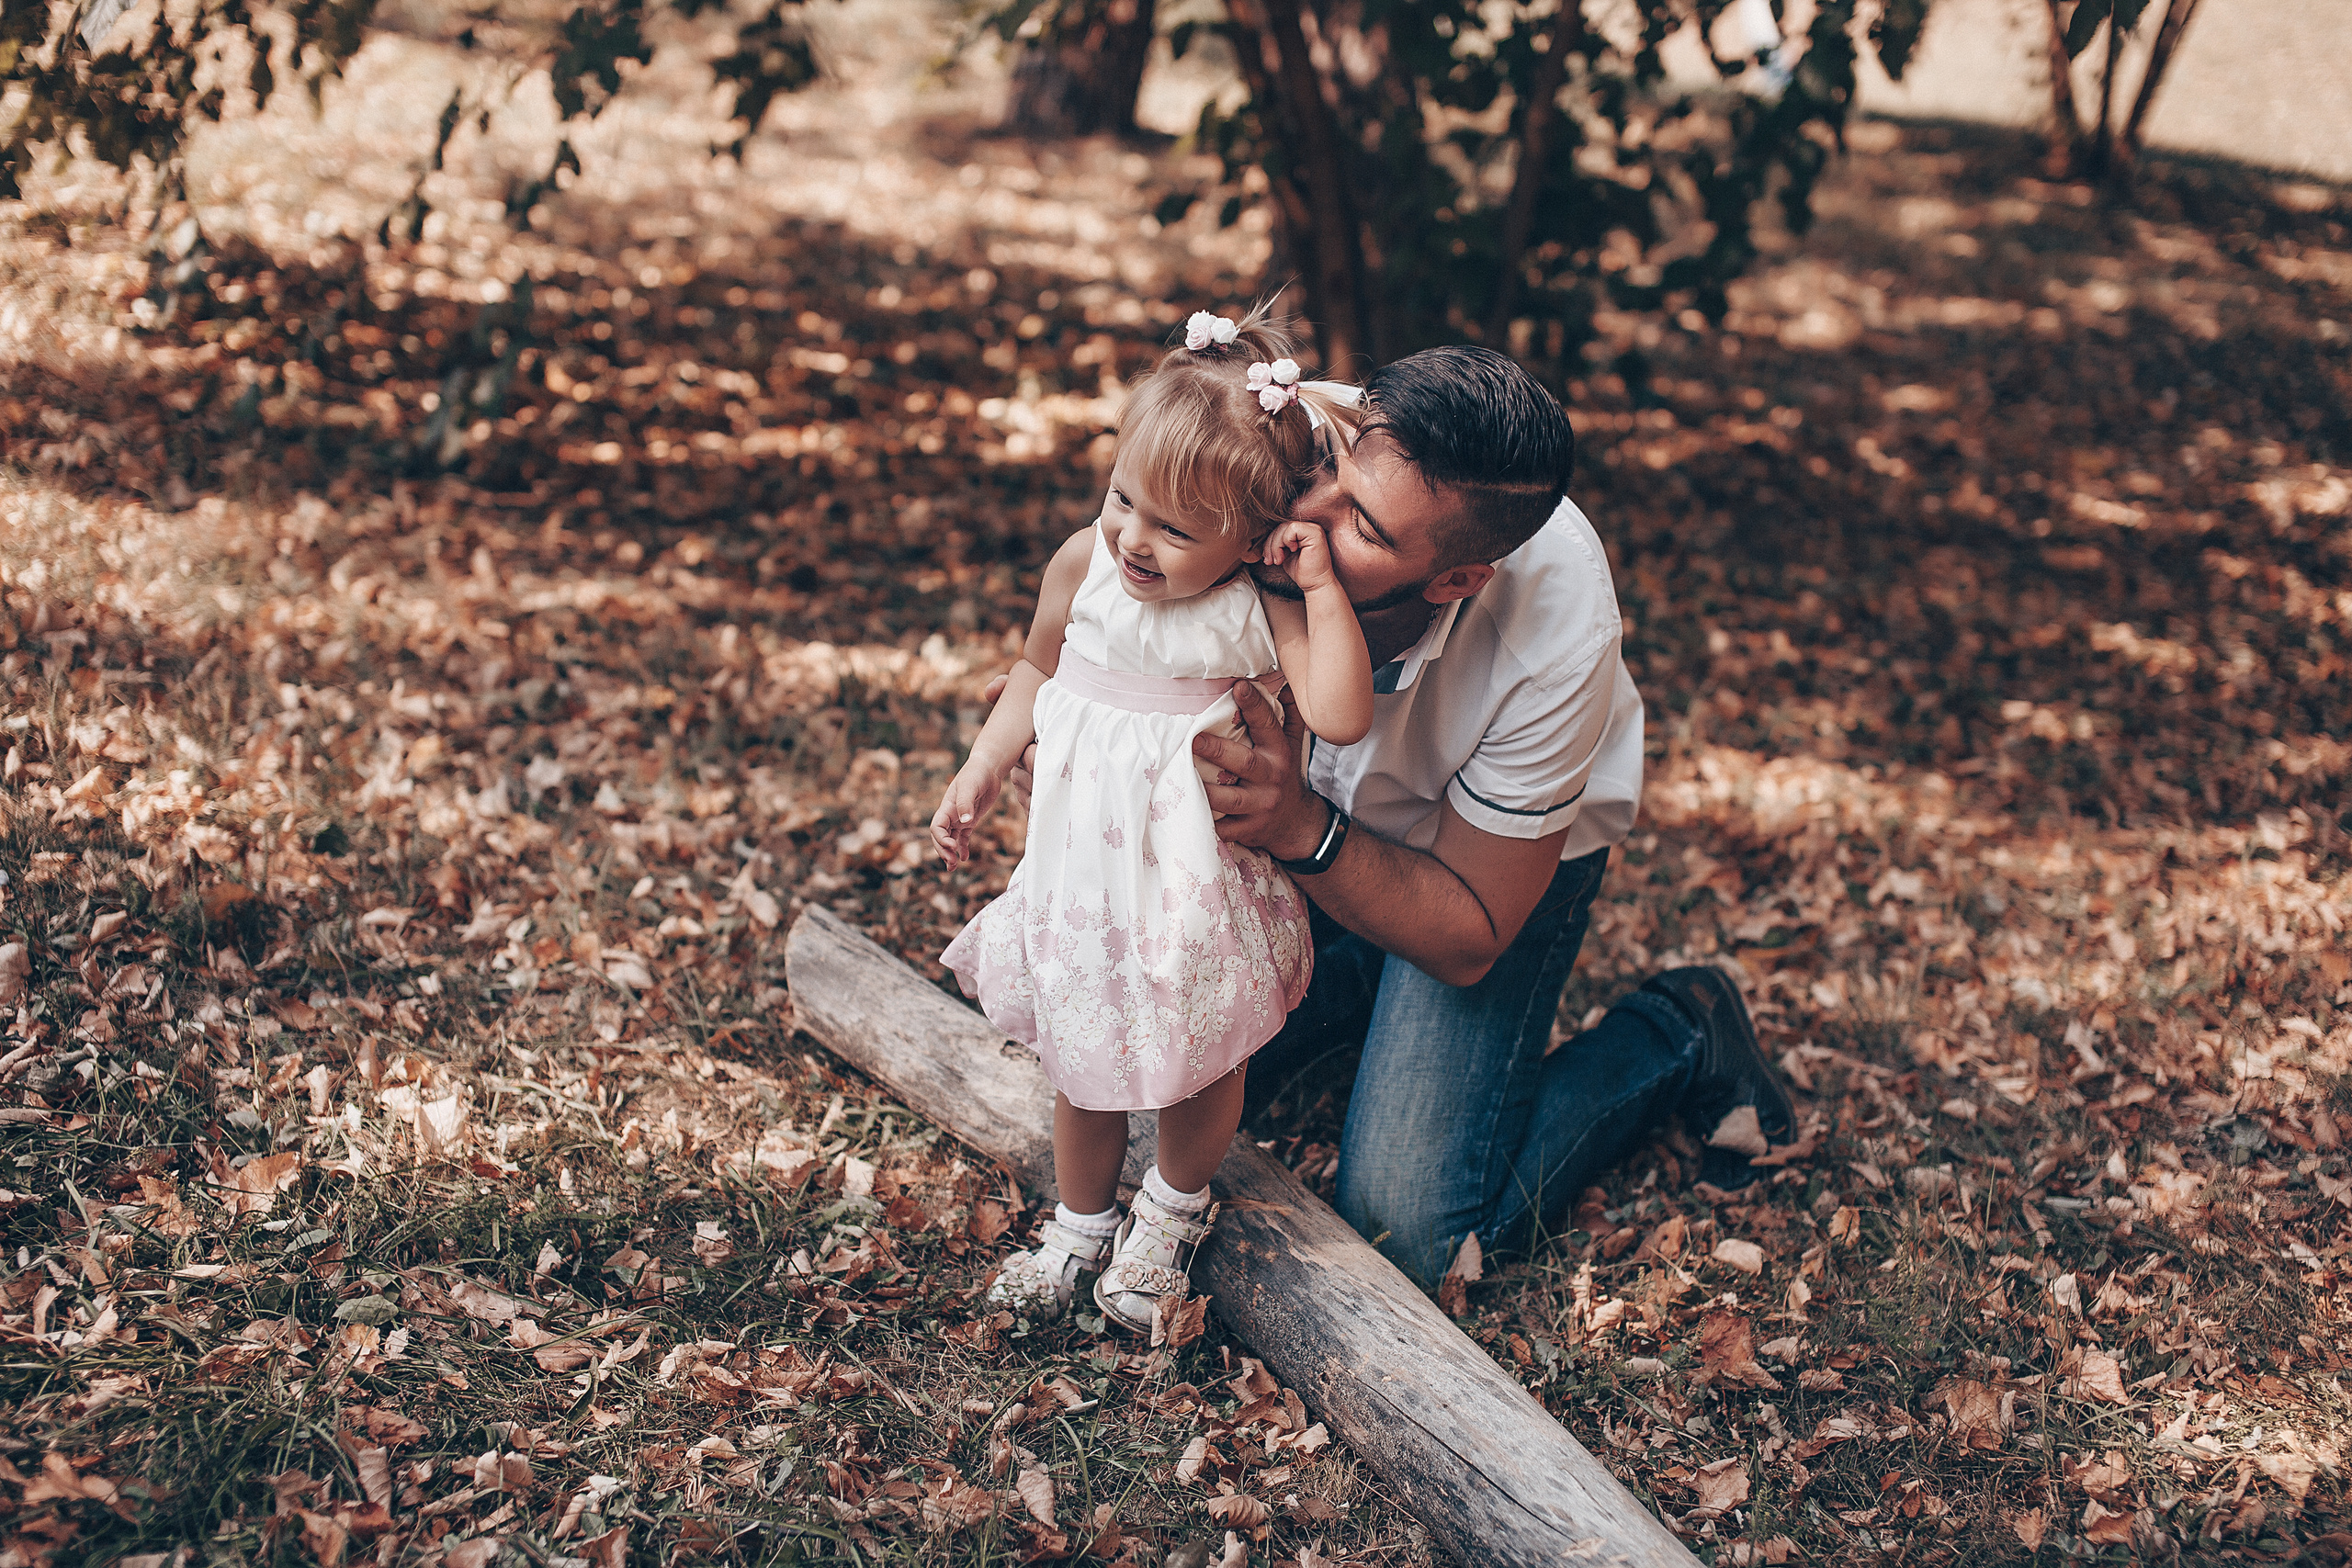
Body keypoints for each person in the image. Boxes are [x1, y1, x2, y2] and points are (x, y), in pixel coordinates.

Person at [1189, 344, 1800, 1290]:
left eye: (1360, 524)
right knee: (1153, 1071)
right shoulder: (1286, 437)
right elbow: (1129, 542)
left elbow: (1470, 932)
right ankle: (1352, 982)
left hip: (1481, 873)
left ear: (1453, 580)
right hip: (1317, 819)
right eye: (1330, 473)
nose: (1302, 516)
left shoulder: (1555, 629)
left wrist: (1297, 829)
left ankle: (1681, 1028)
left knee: (1408, 1231)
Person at [931, 307, 1375, 1329]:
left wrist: (1315, 585)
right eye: (1124, 498)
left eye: (1176, 529)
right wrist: (984, 762)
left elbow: (1342, 713)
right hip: (1082, 883)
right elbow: (1039, 669)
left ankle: (1173, 1208)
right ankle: (1077, 1224)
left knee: (1196, 1062)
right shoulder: (1082, 565)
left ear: (1252, 538)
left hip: (1191, 896)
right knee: (1081, 1068)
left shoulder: (1254, 611)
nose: (1135, 537)